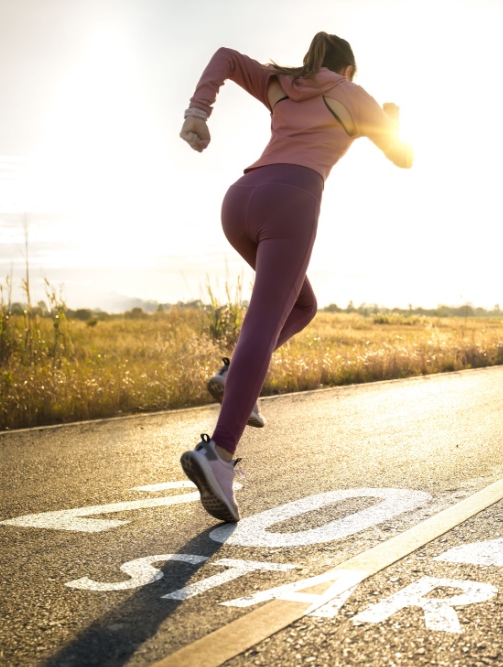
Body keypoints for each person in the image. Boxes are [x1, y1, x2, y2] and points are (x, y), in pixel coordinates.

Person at [178, 32, 413, 523]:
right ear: (348, 70)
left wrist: (197, 113)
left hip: (239, 199)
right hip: (290, 201)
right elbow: (403, 157)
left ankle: (234, 377)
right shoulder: (352, 95)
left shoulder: (281, 83)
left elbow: (223, 55)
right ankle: (218, 454)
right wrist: (390, 121)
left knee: (302, 306)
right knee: (260, 330)